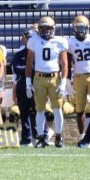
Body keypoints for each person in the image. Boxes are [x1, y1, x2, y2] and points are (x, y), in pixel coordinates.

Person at [26, 16, 69, 147]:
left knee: (57, 109)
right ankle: (40, 138)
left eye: (49, 28)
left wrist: (63, 82)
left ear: (54, 29)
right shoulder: (34, 41)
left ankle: (58, 137)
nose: (46, 31)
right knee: (39, 109)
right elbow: (29, 63)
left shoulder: (60, 41)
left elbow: (65, 64)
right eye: (43, 28)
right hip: (39, 78)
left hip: (55, 78)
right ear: (39, 29)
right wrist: (28, 82)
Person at [67, 14, 90, 136]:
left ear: (88, 27)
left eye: (82, 28)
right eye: (78, 28)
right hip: (78, 77)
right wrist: (67, 81)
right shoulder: (70, 42)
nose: (80, 31)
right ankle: (82, 136)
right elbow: (67, 62)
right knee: (80, 109)